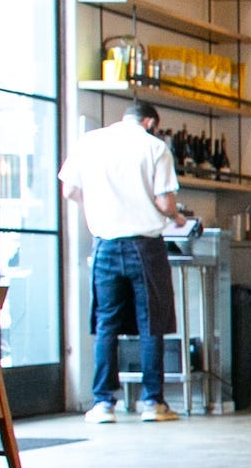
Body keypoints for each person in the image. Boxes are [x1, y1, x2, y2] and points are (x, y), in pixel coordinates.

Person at [59, 99, 184, 424]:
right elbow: (164, 201)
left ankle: (102, 404)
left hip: (104, 244)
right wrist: (177, 217)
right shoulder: (155, 147)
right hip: (145, 247)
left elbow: (70, 191)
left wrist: (102, 205)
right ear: (149, 123)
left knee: (106, 324)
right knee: (151, 323)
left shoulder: (89, 143)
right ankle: (152, 403)